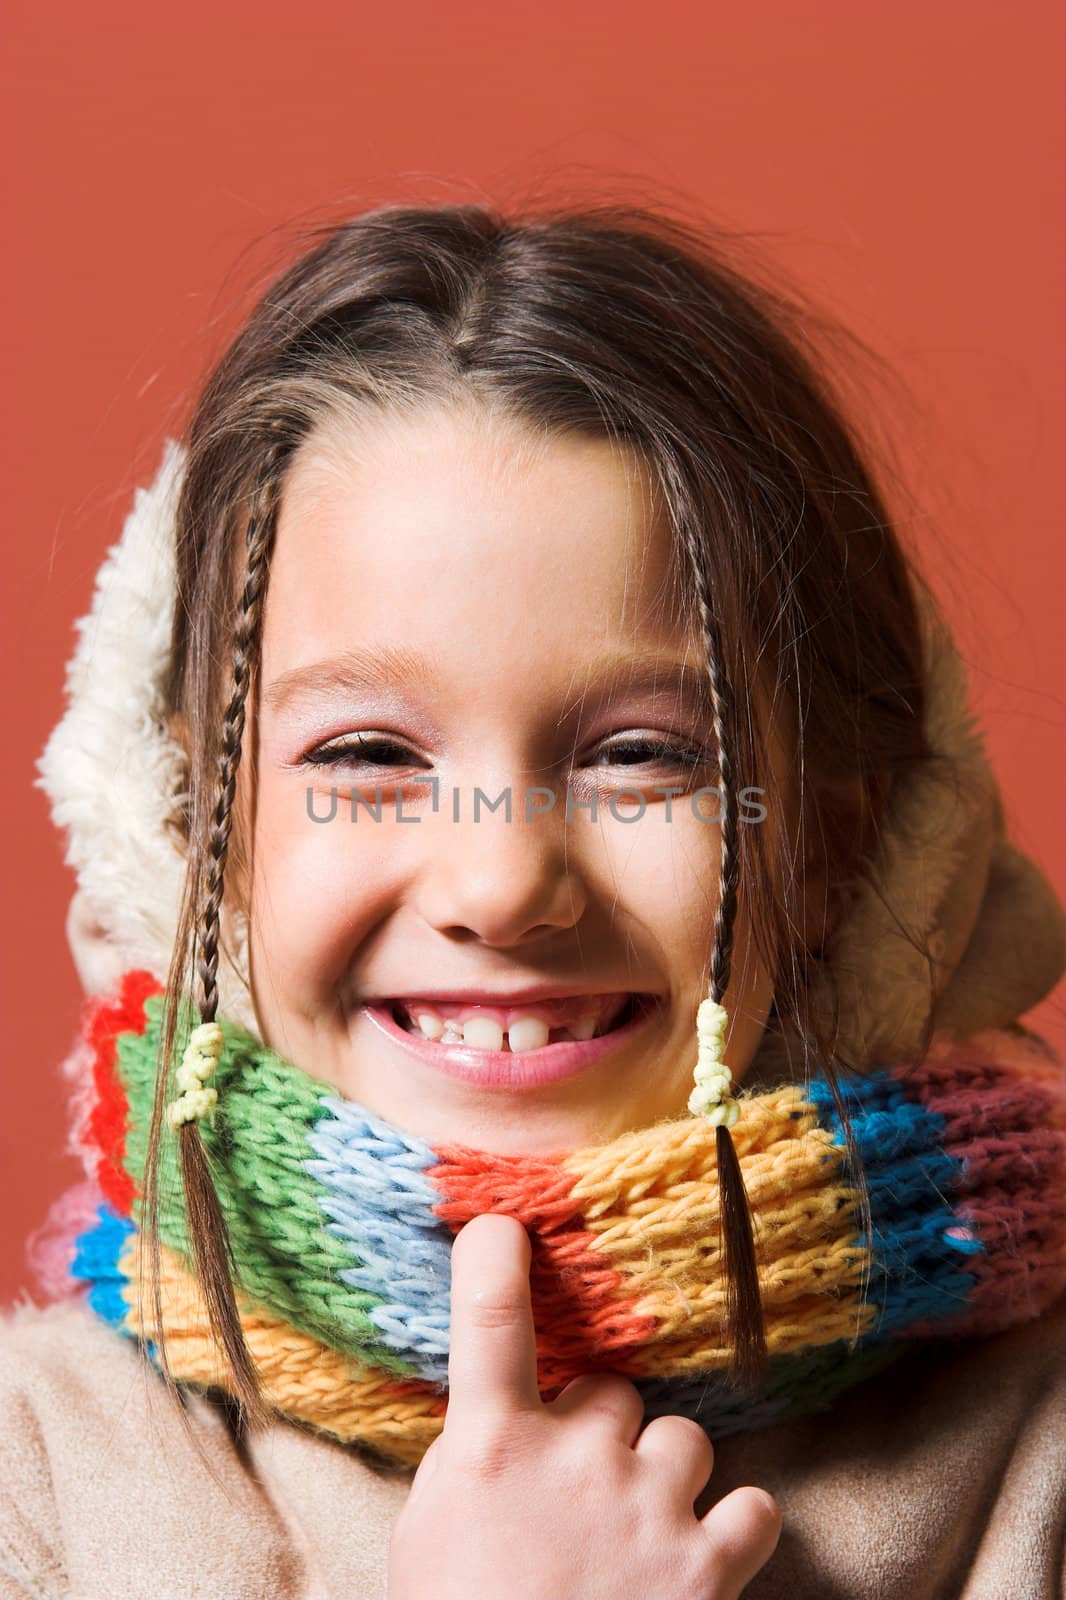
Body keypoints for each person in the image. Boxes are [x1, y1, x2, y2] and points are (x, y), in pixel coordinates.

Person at [2, 200, 1064, 1600]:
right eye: (366, 756)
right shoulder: (41, 1477)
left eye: (642, 756)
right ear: (186, 842)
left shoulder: (1033, 1453)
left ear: (843, 853)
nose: (500, 885)